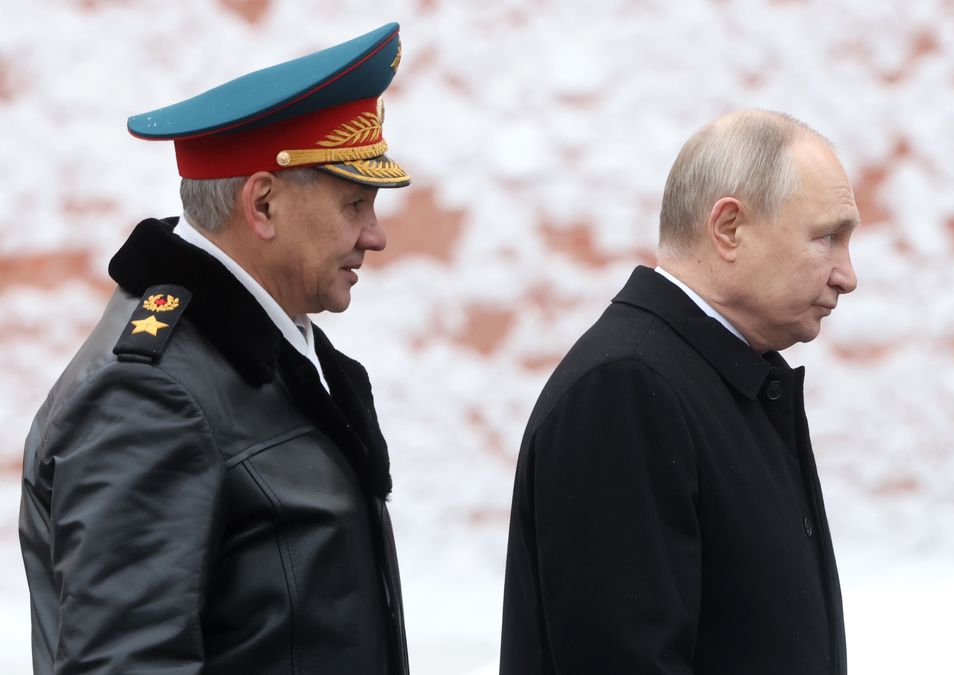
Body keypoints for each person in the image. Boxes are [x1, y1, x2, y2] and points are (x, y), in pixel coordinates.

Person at [19, 23, 413, 674]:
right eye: (354, 204)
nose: (375, 236)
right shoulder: (150, 394)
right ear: (262, 203)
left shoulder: (263, 350)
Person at [500, 110, 859, 674]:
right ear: (729, 229)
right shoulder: (627, 390)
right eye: (827, 238)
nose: (847, 274)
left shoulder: (717, 377)